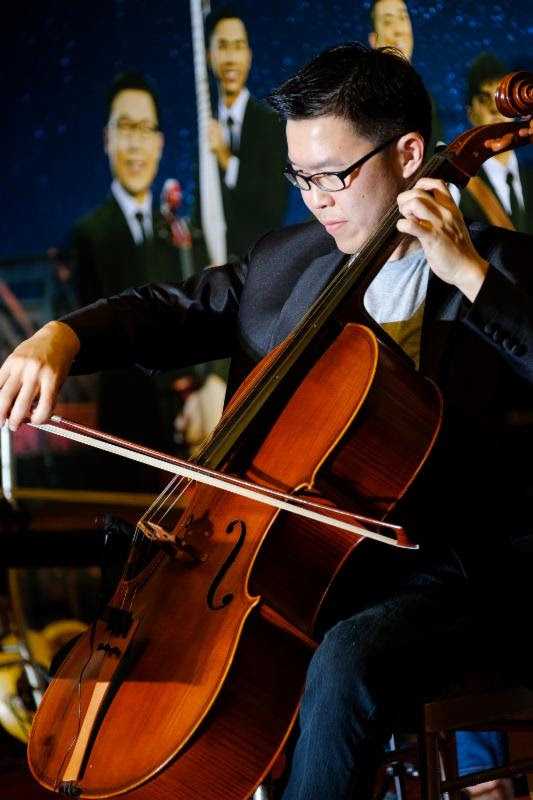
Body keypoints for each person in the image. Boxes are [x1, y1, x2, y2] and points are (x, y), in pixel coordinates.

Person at [1, 44, 532, 800]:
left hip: (458, 574)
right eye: (299, 177)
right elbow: (171, 310)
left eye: (333, 175)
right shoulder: (288, 261)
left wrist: (469, 278)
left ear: (409, 154)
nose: (315, 199)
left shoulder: (506, 269)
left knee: (345, 656)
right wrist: (62, 337)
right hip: (300, 566)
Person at [69, 72, 192, 469]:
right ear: (107, 139)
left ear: (159, 143)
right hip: (123, 432)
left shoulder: (173, 230)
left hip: (182, 429)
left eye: (145, 129)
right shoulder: (88, 235)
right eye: (125, 128)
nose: (136, 143)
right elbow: (102, 334)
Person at [191, 4, 289, 262]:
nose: (231, 58)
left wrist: (227, 159)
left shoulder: (272, 123)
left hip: (261, 265)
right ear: (209, 56)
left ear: (248, 54)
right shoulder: (206, 127)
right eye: (222, 46)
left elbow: (274, 205)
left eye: (238, 46)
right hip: (216, 271)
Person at [460, 52, 533, 235]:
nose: (495, 109)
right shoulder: (460, 192)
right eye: (485, 100)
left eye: (502, 97)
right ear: (470, 114)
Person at [368, 0, 444, 156]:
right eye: (388, 22)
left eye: (403, 18)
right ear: (374, 40)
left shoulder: (426, 98)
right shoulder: (367, 100)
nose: (400, 31)